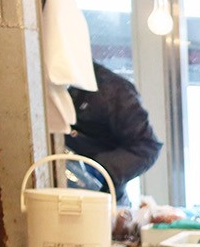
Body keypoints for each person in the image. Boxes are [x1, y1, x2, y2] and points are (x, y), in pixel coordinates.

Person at [66, 61, 162, 203]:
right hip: (61, 189)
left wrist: (96, 170)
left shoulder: (114, 91)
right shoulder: (51, 81)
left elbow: (147, 147)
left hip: (102, 199)